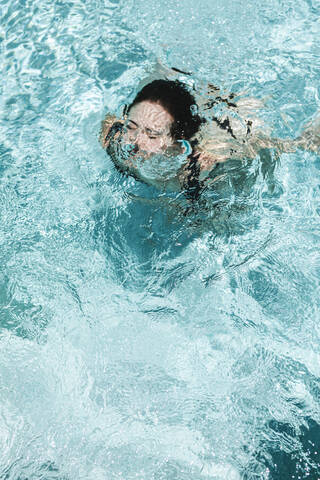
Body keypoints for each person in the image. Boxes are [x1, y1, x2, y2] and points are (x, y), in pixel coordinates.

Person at [100, 74, 319, 198]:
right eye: (132, 126)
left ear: (177, 146)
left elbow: (264, 144)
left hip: (218, 130)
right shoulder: (113, 138)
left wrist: (305, 141)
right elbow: (109, 121)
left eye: (152, 135)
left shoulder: (202, 162)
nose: (134, 141)